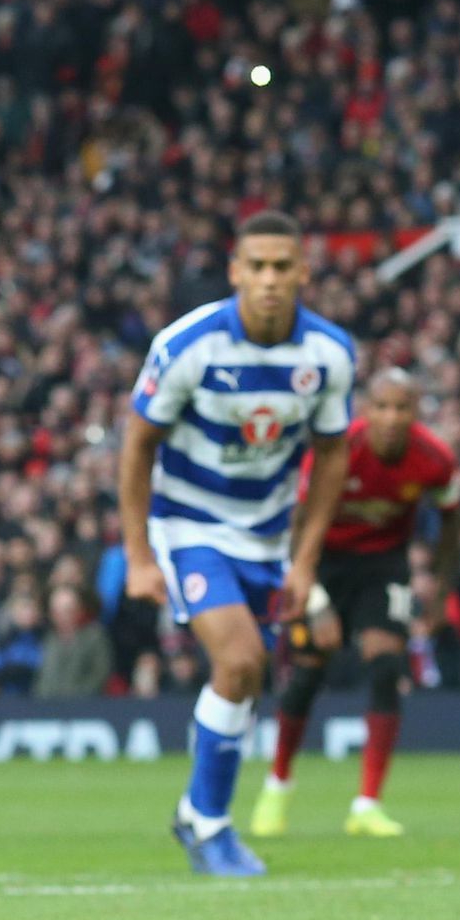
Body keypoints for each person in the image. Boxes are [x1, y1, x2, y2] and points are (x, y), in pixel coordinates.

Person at [118, 210, 355, 876]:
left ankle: (199, 811)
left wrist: (305, 561)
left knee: (248, 680)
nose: (270, 280)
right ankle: (207, 823)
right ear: (235, 273)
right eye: (257, 267)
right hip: (189, 524)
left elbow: (332, 455)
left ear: (304, 271)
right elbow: (138, 446)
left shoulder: (329, 354)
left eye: (283, 267)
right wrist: (139, 555)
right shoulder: (187, 344)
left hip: (269, 537)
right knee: (241, 660)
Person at [249, 369, 460, 839]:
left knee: (387, 666)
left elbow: (451, 526)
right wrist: (317, 597)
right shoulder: (337, 450)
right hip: (320, 560)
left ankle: (367, 805)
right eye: (382, 407)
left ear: (416, 412)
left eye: (401, 408)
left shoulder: (436, 460)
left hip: (383, 566)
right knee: (308, 671)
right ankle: (277, 786)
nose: (391, 417)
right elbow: (299, 524)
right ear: (366, 410)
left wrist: (443, 592)